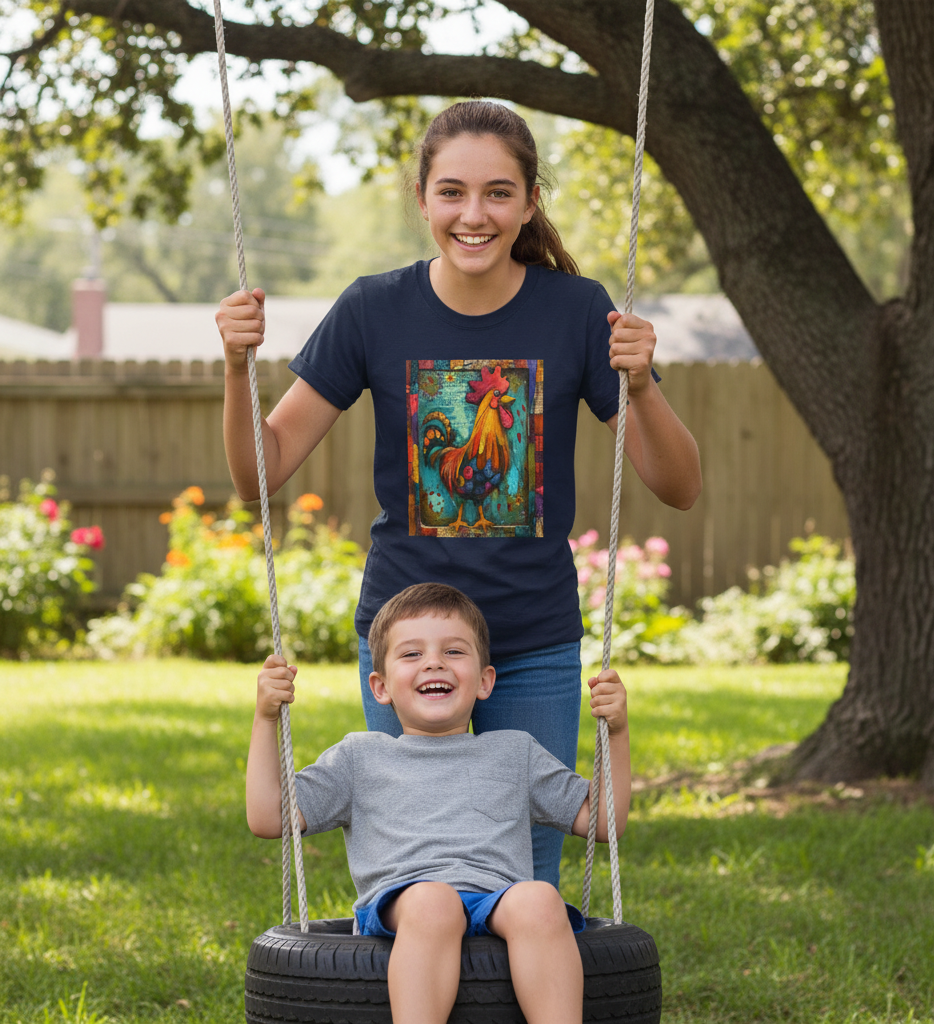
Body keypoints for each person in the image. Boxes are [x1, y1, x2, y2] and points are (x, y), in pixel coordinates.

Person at [218, 100, 700, 888]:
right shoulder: (373, 309)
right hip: (409, 639)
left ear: (530, 202)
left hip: (533, 637)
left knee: (529, 872)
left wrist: (641, 385)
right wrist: (236, 369)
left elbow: (678, 487)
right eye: (452, 192)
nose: (474, 215)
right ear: (422, 199)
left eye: (498, 193)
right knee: (413, 863)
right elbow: (259, 477)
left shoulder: (578, 311)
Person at [246, 582, 631, 1024]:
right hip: (402, 902)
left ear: (485, 681)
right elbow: (268, 817)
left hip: (496, 899)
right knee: (434, 901)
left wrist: (616, 731)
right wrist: (265, 718)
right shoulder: (360, 757)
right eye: (412, 654)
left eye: (454, 652)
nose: (434, 662)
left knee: (541, 899)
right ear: (381, 687)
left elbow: (604, 821)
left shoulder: (514, 751)